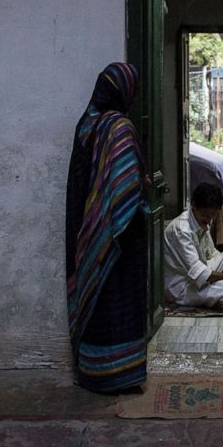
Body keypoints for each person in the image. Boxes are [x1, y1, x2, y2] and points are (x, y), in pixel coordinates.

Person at [65, 62, 149, 393]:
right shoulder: (120, 127)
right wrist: (140, 186)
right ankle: (120, 374)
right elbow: (126, 184)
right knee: (119, 299)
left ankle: (94, 371)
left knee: (95, 295)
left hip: (85, 232)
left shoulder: (85, 125)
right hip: (118, 231)